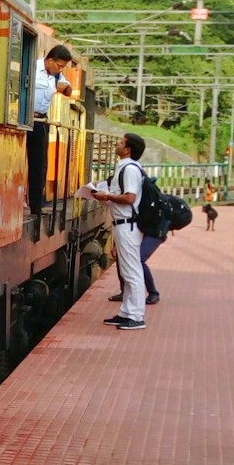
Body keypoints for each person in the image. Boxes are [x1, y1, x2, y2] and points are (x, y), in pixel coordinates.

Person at [92, 132, 146, 329]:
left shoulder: (130, 169)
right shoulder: (125, 167)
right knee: (127, 270)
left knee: (132, 272)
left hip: (128, 225)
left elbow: (130, 198)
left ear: (127, 149)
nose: (117, 143)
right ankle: (126, 312)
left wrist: (107, 196)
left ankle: (137, 316)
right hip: (123, 224)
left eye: (121, 142)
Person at [27, 43, 73, 224]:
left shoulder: (57, 76)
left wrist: (64, 87)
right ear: (50, 60)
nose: (60, 69)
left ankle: (36, 206)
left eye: (63, 67)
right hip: (23, 117)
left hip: (40, 121)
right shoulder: (32, 66)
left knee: (40, 164)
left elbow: (68, 91)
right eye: (59, 65)